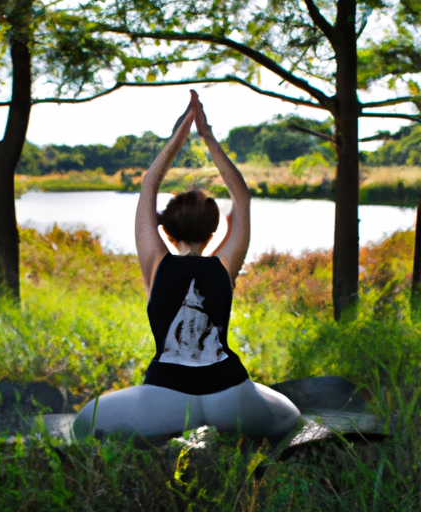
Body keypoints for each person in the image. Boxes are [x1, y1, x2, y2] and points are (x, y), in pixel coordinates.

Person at [74, 91, 300, 441]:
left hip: (166, 398)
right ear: (214, 230)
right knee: (291, 414)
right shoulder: (225, 265)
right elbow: (242, 198)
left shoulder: (156, 265)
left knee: (85, 421)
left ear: (165, 229)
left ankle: (173, 435)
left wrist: (180, 134)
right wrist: (207, 136)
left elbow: (149, 186)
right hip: (230, 395)